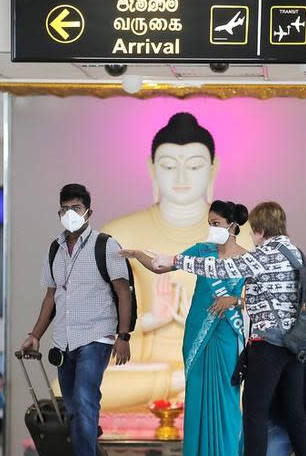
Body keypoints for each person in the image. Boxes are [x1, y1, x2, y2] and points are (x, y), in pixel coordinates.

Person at [150, 202, 306, 456]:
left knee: (255, 412)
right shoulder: (295, 253)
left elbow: (221, 267)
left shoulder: (263, 255)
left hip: (267, 344)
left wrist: (176, 260)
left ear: (259, 230)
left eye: (253, 230)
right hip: (296, 345)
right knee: (294, 411)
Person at [101, 112, 252, 411]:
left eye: (194, 166)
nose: (181, 178)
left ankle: (187, 383)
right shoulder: (119, 232)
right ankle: (178, 383)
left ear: (213, 168)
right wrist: (150, 320)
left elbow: (259, 306)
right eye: (169, 166)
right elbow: (109, 319)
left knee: (254, 382)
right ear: (152, 168)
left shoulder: (244, 240)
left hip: (222, 347)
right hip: (147, 369)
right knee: (86, 383)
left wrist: (233, 302)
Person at [122, 200, 249, 456]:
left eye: (216, 224)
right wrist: (138, 254)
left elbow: (260, 298)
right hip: (197, 335)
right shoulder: (201, 251)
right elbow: (160, 265)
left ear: (232, 226)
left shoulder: (247, 259)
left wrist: (235, 300)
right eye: (210, 223)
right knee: (199, 402)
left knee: (228, 404)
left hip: (228, 334)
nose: (211, 229)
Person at [20, 183, 133, 456]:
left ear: (89, 212)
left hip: (97, 337)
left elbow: (124, 292)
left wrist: (124, 336)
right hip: (63, 340)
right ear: (59, 212)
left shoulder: (106, 245)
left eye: (76, 208)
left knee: (84, 399)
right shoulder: (54, 248)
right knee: (73, 407)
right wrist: (35, 335)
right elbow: (50, 297)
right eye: (65, 209)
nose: (70, 214)